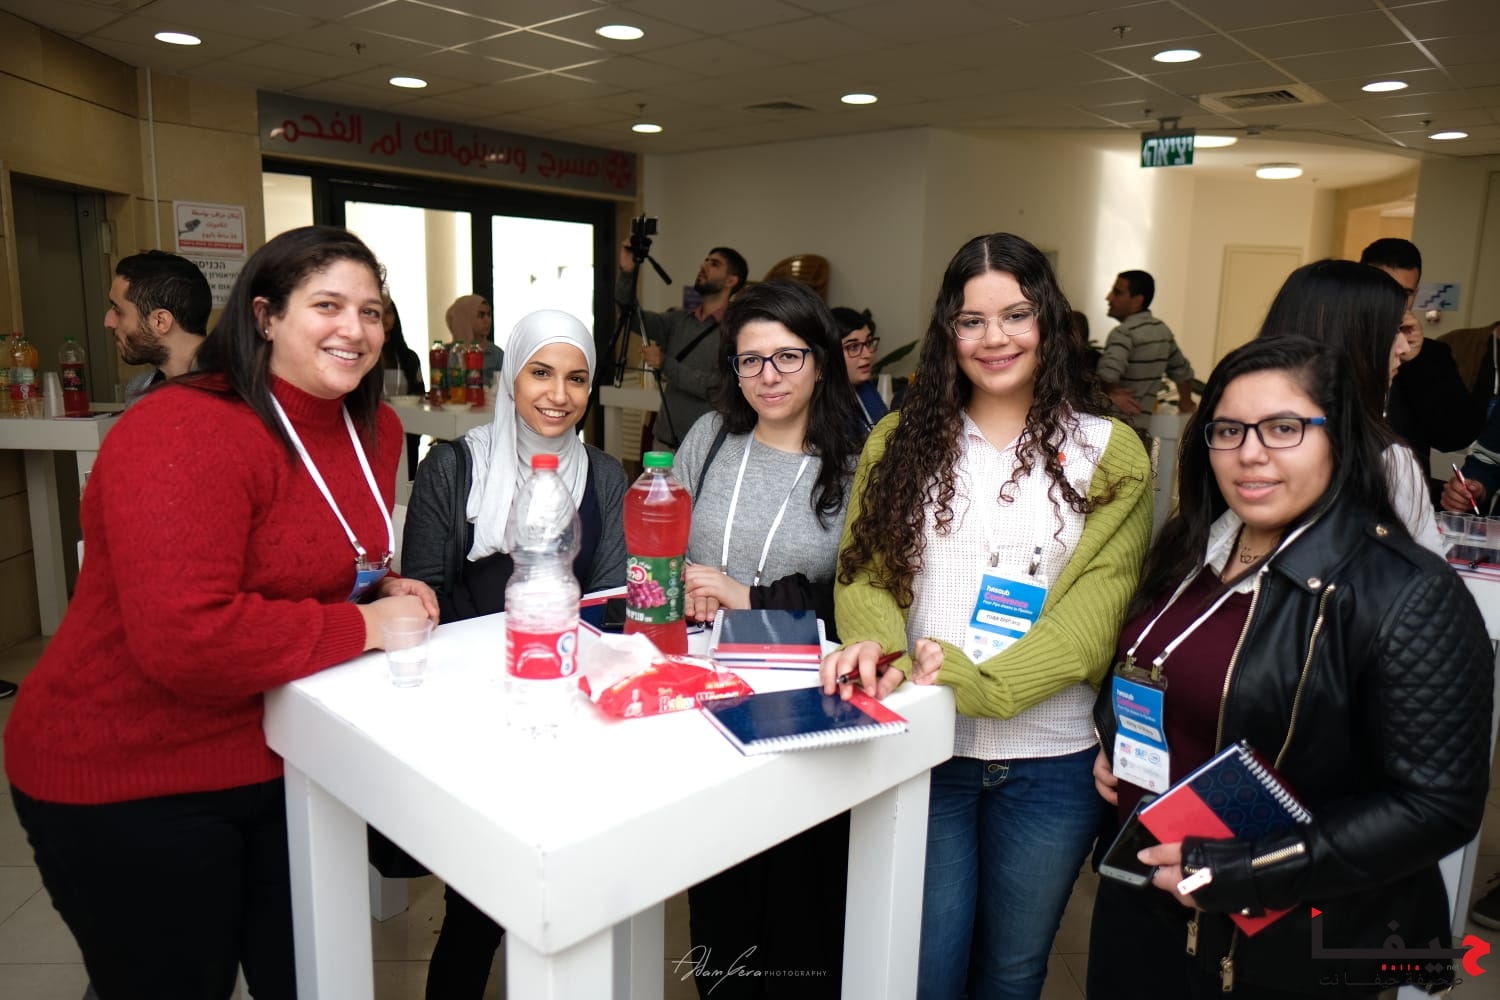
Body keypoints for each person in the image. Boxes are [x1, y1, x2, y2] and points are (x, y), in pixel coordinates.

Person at [3, 225, 440, 999]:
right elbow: (187, 636)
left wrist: (380, 587)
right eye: (328, 305)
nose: (356, 329)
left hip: (282, 749)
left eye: (372, 311)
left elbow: (312, 553)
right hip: (132, 770)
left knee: (310, 978)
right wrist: (365, 627)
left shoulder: (374, 428)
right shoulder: (184, 427)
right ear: (264, 316)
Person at [1088, 336, 1491, 998]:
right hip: (1144, 890)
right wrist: (1119, 736)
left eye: (1283, 428)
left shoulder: (1406, 592)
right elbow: (1153, 659)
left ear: (1340, 439)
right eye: (1228, 430)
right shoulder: (1194, 544)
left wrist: (1248, 869)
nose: (1250, 452)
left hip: (1283, 934)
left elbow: (1438, 806)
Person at [822, 233, 1153, 999]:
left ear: (1049, 322)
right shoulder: (900, 439)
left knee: (1011, 973)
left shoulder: (1111, 450)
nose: (994, 338)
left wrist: (980, 685)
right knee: (926, 971)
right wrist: (887, 655)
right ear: (948, 331)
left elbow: (1094, 619)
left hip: (1052, 761)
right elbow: (865, 572)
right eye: (972, 320)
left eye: (1016, 315)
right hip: (924, 749)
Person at [401, 309, 626, 999]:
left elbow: (610, 601)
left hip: (565, 704)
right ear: (511, 379)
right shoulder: (453, 468)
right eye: (541, 373)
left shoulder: (603, 475)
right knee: (479, 893)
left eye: (577, 379)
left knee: (570, 884)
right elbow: (423, 598)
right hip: (473, 709)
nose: (559, 394)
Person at [671, 278, 861, 997]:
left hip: (806, 707)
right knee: (720, 897)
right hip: (708, 696)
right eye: (750, 360)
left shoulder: (857, 462)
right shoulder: (710, 439)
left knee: (800, 907)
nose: (768, 376)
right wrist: (680, 584)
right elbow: (662, 551)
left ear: (820, 359)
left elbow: (860, 601)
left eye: (787, 357)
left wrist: (744, 596)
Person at [1255, 259, 1443, 553]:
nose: (1404, 348)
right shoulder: (1382, 459)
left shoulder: (1233, 430)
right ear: (1354, 338)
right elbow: (1428, 571)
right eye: (1394, 329)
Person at [1361, 238, 1483, 504]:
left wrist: (1415, 361)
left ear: (1415, 294)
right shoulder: (1330, 344)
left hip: (1408, 504)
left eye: (1404, 293)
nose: (1393, 301)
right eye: (1383, 289)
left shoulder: (1432, 355)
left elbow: (1456, 436)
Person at [617, 242, 749, 450]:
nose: (704, 266)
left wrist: (665, 363)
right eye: (705, 260)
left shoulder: (737, 330)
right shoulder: (678, 320)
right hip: (665, 439)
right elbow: (632, 318)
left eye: (714, 264)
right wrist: (627, 272)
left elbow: (717, 386)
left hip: (707, 446)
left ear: (731, 280)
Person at [104, 249, 212, 406]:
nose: (108, 322)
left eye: (118, 311)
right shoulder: (139, 390)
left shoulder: (239, 389)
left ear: (161, 321)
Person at [1097, 269, 1196, 429]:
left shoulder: (1123, 333)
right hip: (1142, 431)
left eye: (1117, 292)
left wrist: (1111, 394)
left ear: (1137, 301)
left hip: (1115, 429)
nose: (1109, 297)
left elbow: (1107, 374)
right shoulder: (1162, 331)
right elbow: (1183, 372)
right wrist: (1186, 405)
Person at [381, 295, 427, 480]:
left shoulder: (409, 357)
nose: (384, 318)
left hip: (406, 428)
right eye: (378, 313)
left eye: (388, 313)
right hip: (374, 430)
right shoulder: (363, 355)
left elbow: (419, 392)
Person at [832, 305, 888, 433]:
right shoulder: (822, 408)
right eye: (853, 347)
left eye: (868, 343)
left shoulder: (866, 386)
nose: (867, 354)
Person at [446, 293, 503, 385]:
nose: (487, 320)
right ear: (465, 318)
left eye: (489, 315)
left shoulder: (497, 354)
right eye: (481, 315)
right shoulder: (446, 353)